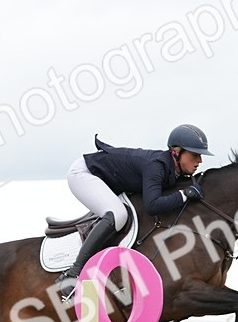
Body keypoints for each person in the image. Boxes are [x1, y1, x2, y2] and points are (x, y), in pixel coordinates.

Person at [56, 124, 213, 300]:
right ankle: (73, 275)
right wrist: (184, 195)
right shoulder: (157, 166)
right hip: (83, 174)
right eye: (195, 155)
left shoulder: (172, 169)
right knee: (118, 214)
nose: (200, 160)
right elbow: (152, 206)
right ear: (176, 152)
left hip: (108, 180)